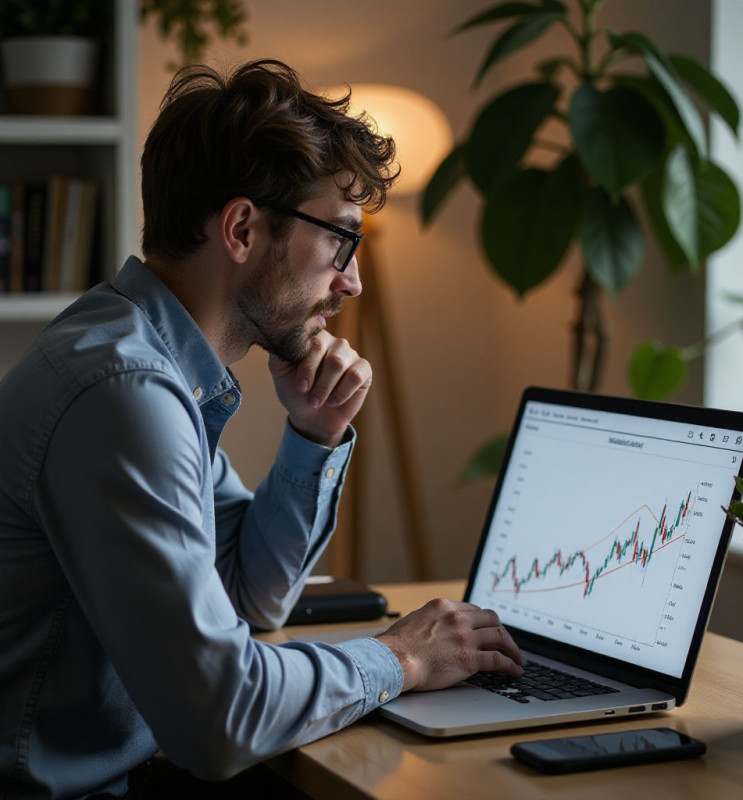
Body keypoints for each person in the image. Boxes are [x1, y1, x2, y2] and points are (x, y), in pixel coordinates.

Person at [0, 60, 524, 799]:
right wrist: (401, 658)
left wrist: (314, 435)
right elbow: (219, 719)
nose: (353, 281)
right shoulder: (125, 394)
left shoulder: (147, 356)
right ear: (242, 228)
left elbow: (246, 595)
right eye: (340, 239)